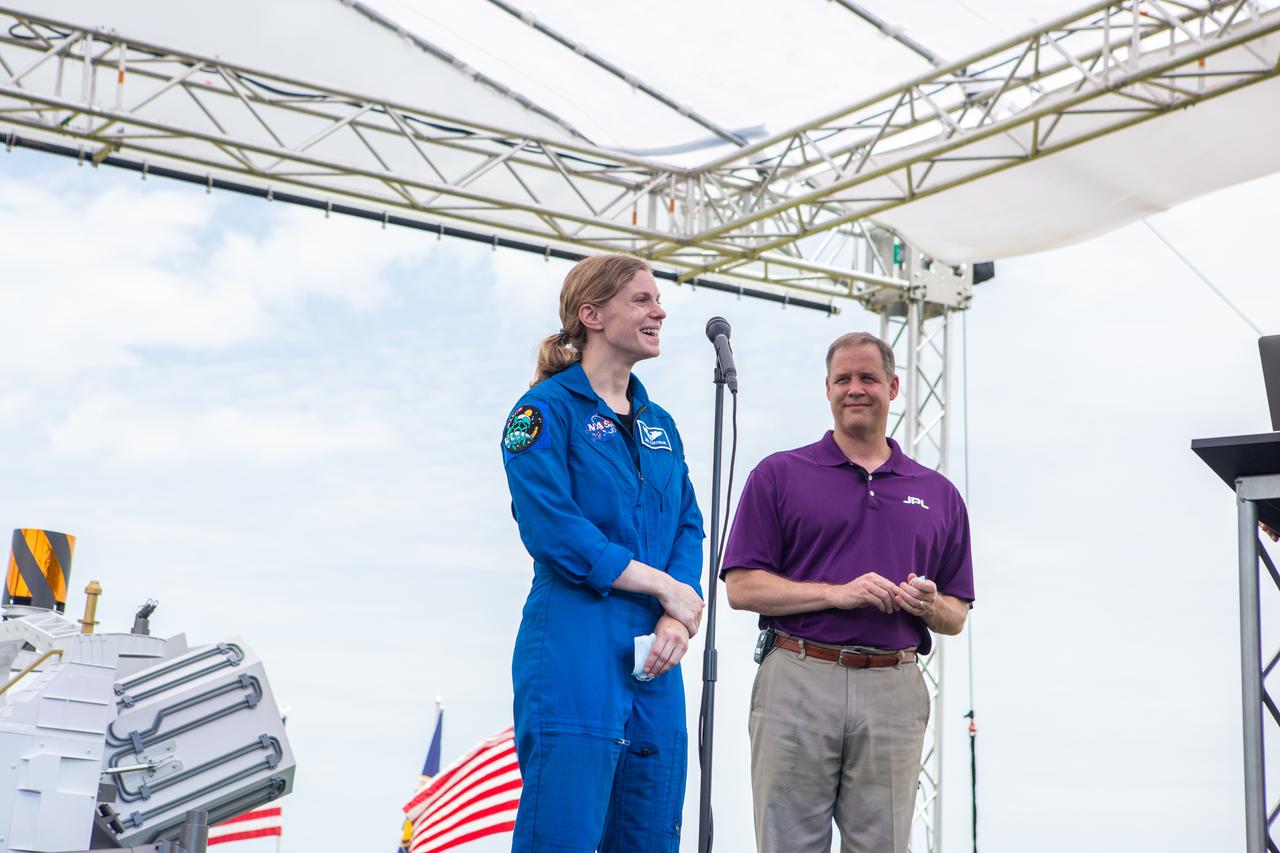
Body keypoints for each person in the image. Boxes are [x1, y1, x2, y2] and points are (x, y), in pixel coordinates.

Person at [722, 331, 976, 853]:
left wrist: (929, 606)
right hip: (797, 676)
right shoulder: (779, 474)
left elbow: (956, 615)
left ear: (894, 386)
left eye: (868, 378)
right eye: (844, 379)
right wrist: (837, 594)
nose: (855, 389)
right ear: (828, 389)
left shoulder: (939, 493)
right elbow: (742, 587)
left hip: (894, 685)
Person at [500, 253, 705, 852]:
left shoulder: (659, 424)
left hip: (655, 653)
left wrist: (676, 610)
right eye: (641, 299)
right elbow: (554, 529)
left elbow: (687, 522)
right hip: (575, 639)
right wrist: (662, 586)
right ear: (591, 315)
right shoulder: (542, 412)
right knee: (562, 829)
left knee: (650, 824)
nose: (659, 310)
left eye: (657, 298)